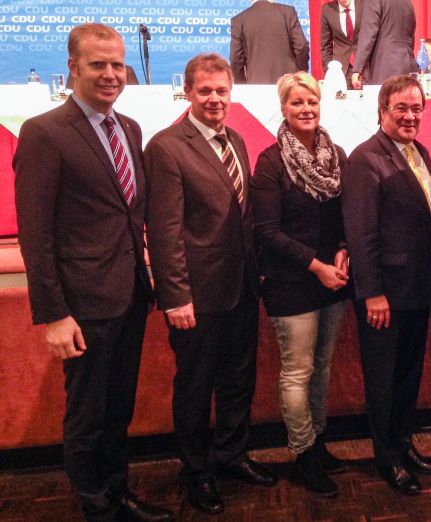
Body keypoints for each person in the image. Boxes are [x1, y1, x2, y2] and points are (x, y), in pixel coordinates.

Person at [13, 23, 173, 522]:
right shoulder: (43, 133)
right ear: (73, 68)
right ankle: (98, 507)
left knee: (117, 410)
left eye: (116, 65)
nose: (110, 75)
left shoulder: (129, 128)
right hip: (81, 305)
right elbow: (34, 235)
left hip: (128, 295)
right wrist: (54, 315)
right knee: (87, 415)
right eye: (97, 65)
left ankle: (118, 493)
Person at [144, 53, 275, 516]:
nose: (215, 99)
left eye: (222, 91)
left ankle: (232, 455)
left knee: (239, 381)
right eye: (205, 91)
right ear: (188, 92)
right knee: (196, 388)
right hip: (196, 298)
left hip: (240, 288)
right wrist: (175, 295)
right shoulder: (166, 146)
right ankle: (196, 472)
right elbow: (163, 230)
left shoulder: (235, 139)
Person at [250, 72, 349, 498]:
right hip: (293, 282)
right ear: (284, 108)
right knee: (297, 372)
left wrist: (343, 249)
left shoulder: (337, 154)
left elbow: (346, 215)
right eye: (296, 103)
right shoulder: (270, 162)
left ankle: (319, 442)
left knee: (322, 369)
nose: (305, 109)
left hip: (334, 279)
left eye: (311, 101)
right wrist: (316, 266)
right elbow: (266, 231)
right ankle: (304, 454)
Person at [341, 75, 431, 495]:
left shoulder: (419, 151)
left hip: (418, 290)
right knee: (383, 381)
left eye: (416, 108)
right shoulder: (366, 158)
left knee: (407, 376)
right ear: (382, 111)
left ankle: (404, 443)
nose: (410, 115)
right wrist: (372, 292)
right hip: (384, 296)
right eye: (401, 107)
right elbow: (360, 232)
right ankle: (388, 457)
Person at [230, 0, 310, 84]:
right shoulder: (288, 12)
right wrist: (301, 75)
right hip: (288, 84)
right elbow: (301, 46)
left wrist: (243, 84)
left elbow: (236, 59)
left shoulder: (239, 20)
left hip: (256, 86)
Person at [351, 0, 417, 89]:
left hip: (385, 68)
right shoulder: (408, 2)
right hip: (408, 65)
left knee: (384, 101)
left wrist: (358, 69)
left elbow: (368, 35)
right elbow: (411, 35)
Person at [321, 0, 362, 89]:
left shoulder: (365, 4)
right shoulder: (327, 10)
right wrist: (329, 73)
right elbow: (325, 46)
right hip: (341, 71)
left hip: (366, 68)